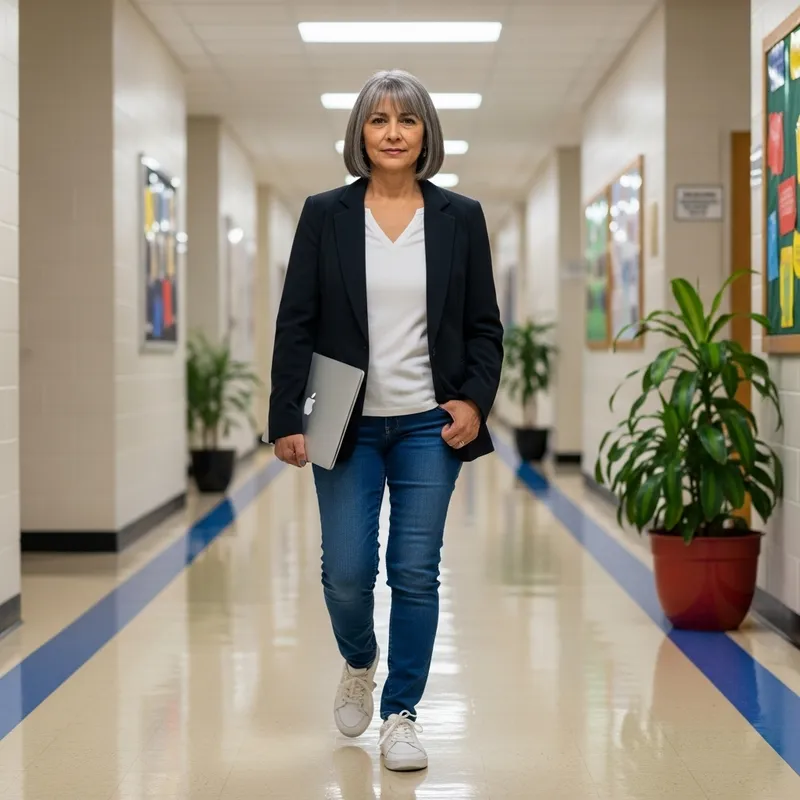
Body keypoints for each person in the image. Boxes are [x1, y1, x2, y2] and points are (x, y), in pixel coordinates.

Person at [267, 69, 503, 772]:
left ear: (426, 132)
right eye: (379, 120)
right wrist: (286, 415)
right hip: (347, 422)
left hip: (430, 424)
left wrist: (474, 400)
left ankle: (401, 715)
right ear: (360, 134)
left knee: (415, 572)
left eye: (407, 119)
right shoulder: (326, 214)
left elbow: (484, 326)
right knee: (345, 572)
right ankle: (359, 658)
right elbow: (296, 322)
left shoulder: (460, 217)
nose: (393, 133)